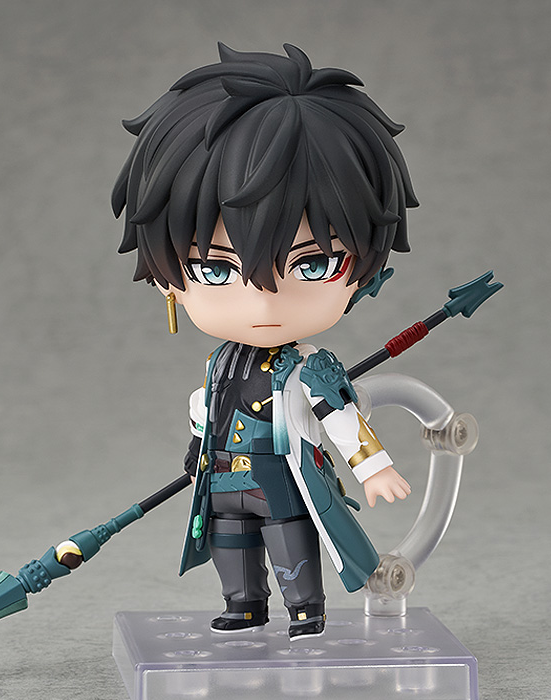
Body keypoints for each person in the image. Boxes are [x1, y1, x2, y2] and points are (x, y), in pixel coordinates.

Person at [110, 43, 417, 640]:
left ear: (364, 267)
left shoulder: (311, 368)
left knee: (288, 539)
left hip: (282, 476)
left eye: (312, 264)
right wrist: (196, 452)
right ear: (167, 278)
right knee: (230, 544)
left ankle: (304, 609)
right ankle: (243, 605)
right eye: (214, 269)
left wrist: (374, 467)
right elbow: (205, 413)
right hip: (223, 477)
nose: (263, 304)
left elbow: (341, 416)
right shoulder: (219, 363)